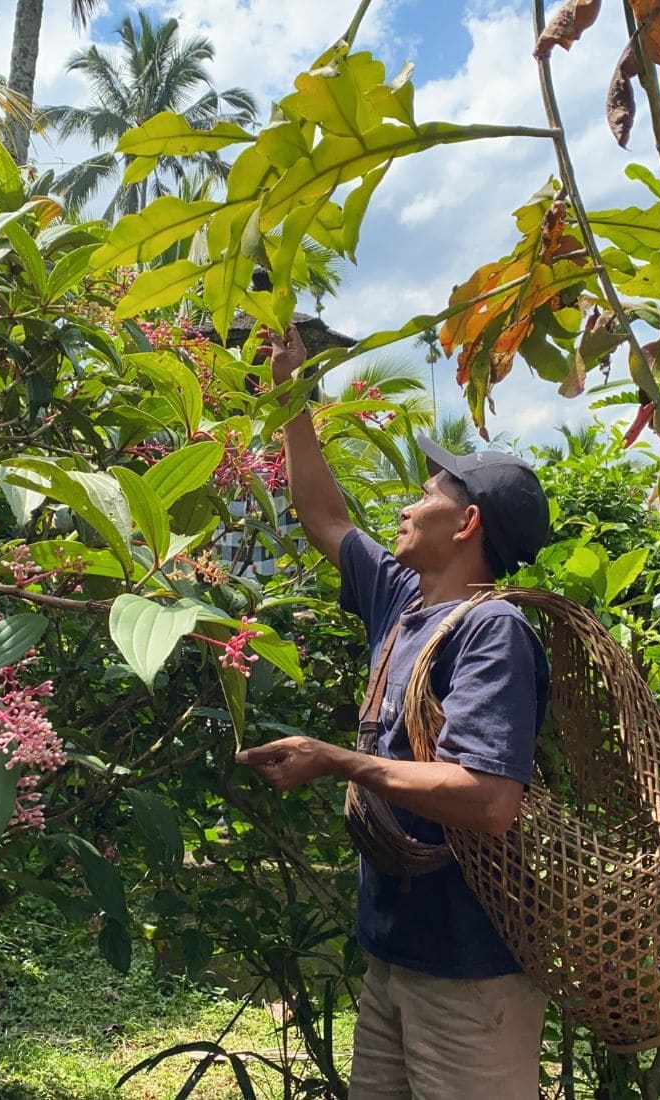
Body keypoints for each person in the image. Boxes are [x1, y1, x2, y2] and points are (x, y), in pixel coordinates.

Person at [235, 324, 553, 1100]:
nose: (408, 507)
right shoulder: (405, 603)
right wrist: (292, 394)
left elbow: (488, 797)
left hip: (472, 975)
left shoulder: (492, 629)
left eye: (429, 494)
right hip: (396, 955)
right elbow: (324, 517)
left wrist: (335, 760)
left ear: (467, 524)